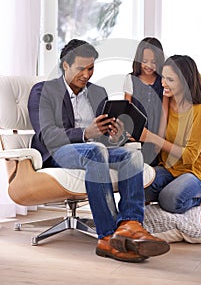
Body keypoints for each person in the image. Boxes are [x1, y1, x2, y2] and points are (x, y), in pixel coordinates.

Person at [28, 39, 170, 263]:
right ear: (65, 65)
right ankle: (107, 236)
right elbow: (47, 134)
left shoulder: (98, 92)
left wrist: (115, 135)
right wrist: (86, 133)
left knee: (132, 154)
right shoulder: (43, 91)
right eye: (80, 68)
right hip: (58, 152)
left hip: (95, 149)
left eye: (91, 68)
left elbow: (104, 139)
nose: (86, 74)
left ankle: (131, 225)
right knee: (96, 151)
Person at [142, 55, 201, 213]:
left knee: (169, 199)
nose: (163, 83)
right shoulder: (168, 100)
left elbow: (190, 156)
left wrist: (151, 137)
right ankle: (170, 189)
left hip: (195, 171)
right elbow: (161, 134)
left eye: (170, 79)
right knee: (140, 189)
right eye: (163, 77)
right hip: (170, 168)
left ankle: (198, 199)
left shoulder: (199, 110)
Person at [123, 37, 167, 166]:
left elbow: (164, 113)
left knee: (152, 167)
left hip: (155, 135)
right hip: (136, 135)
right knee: (134, 166)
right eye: (144, 61)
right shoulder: (131, 79)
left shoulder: (163, 81)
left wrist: (159, 139)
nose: (149, 66)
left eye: (153, 62)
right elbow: (127, 109)